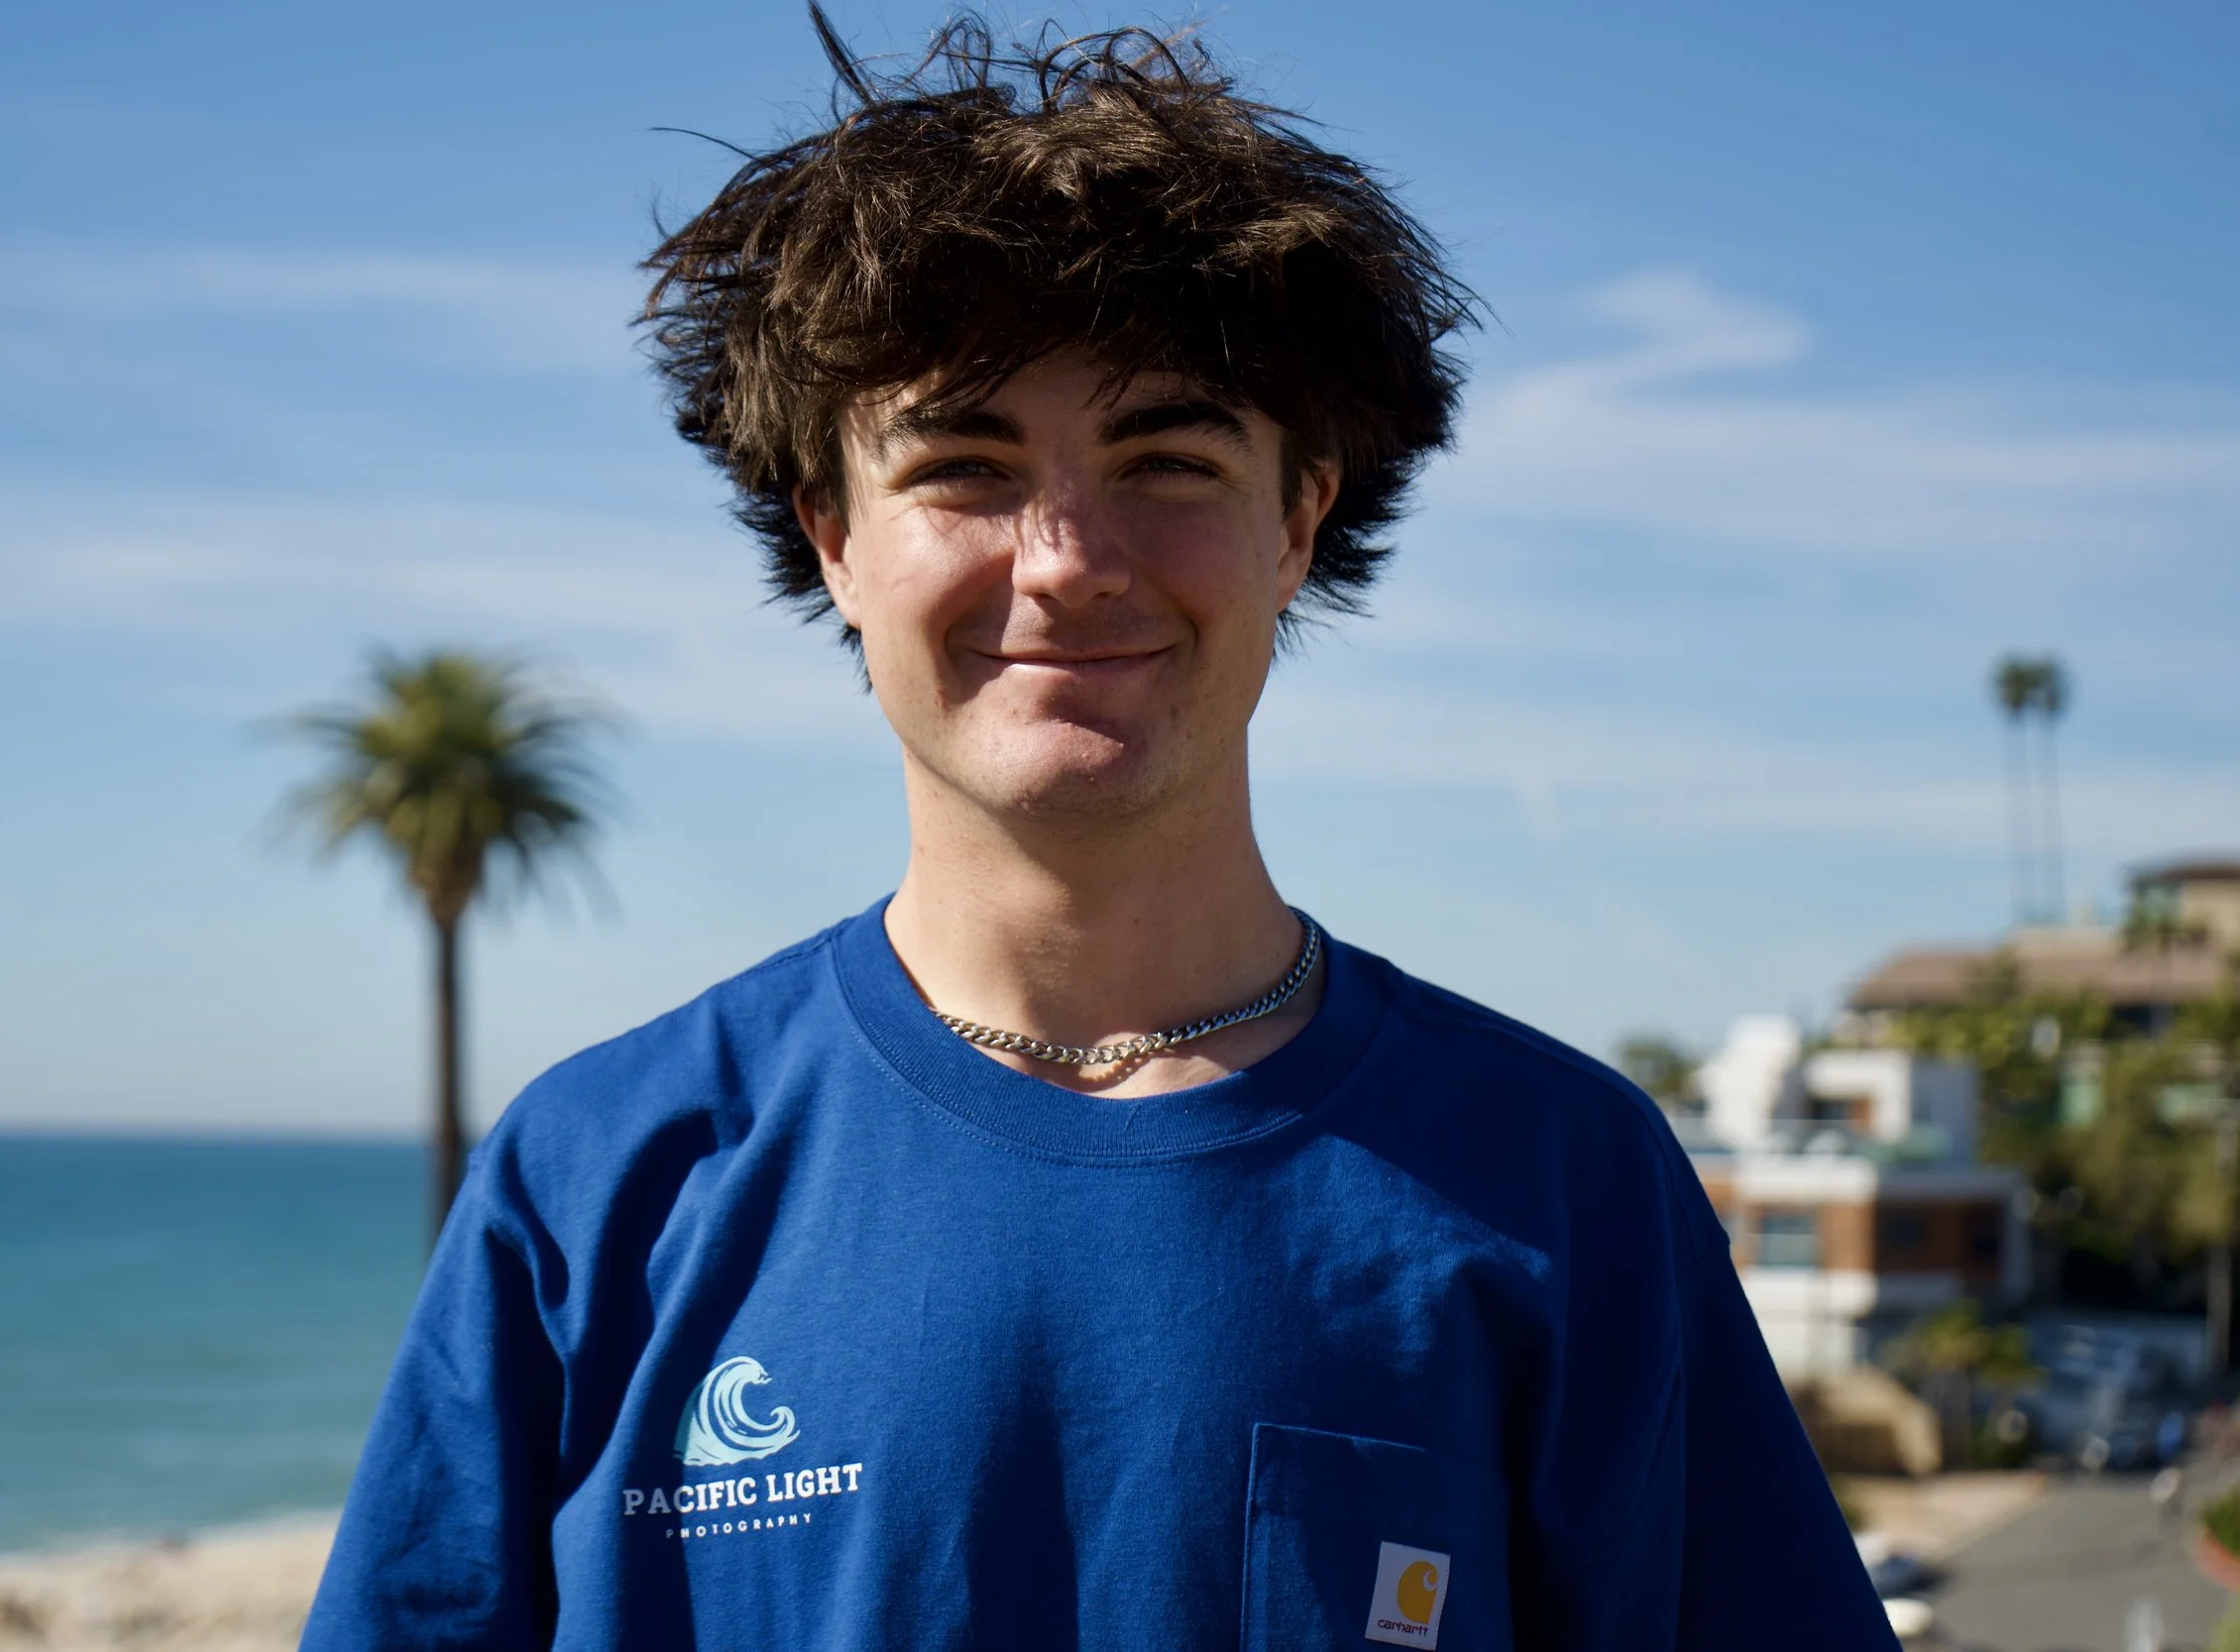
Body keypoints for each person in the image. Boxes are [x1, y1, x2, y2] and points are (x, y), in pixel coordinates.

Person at [299, 13, 1892, 1649]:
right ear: (834, 537)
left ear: (1298, 517)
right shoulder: (602, 1182)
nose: (1064, 558)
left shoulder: (1557, 1179)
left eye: (1167, 456)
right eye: (967, 465)